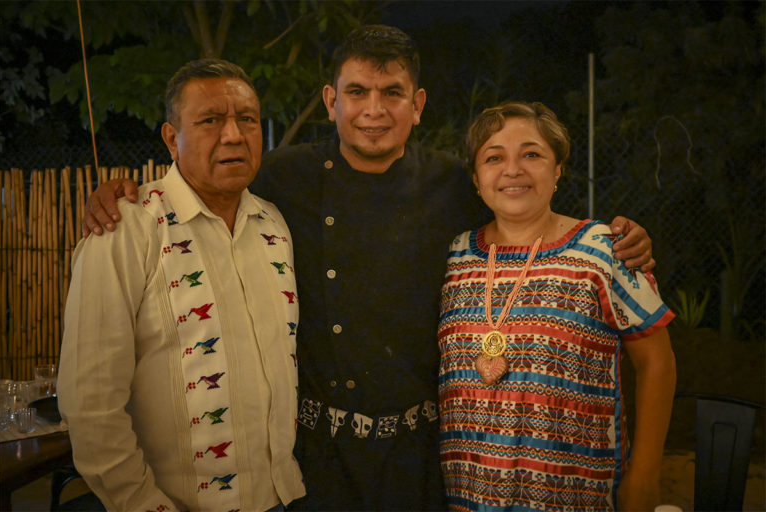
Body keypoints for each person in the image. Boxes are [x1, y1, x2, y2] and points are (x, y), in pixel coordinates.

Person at [80, 26, 654, 511]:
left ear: (418, 104)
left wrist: (620, 238)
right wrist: (121, 191)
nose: (374, 110)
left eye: (392, 92)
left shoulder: (455, 184)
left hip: (422, 450)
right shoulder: (281, 177)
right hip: (317, 453)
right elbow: (206, 173)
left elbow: (525, 208)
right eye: (357, 92)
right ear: (332, 102)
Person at [57, 59, 305, 512]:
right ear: (172, 138)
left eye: (246, 119)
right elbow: (90, 406)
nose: (233, 135)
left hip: (282, 498)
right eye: (210, 120)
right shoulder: (126, 231)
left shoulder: (274, 224)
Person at [438, 101, 676, 511]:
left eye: (532, 154)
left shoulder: (602, 250)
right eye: (494, 157)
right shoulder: (455, 255)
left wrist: (644, 476)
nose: (513, 169)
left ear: (557, 170)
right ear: (477, 179)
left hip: (577, 497)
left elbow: (657, 362)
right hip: (467, 497)